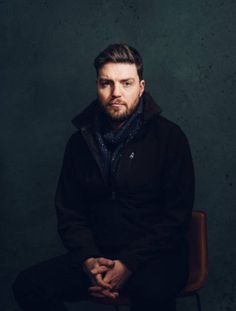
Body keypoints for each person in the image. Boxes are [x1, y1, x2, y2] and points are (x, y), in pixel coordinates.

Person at [12, 44, 195, 311]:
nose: (116, 93)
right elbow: (69, 211)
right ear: (97, 85)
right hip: (98, 257)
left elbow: (176, 216)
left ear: (141, 87)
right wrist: (88, 260)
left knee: (153, 292)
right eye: (106, 83)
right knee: (28, 285)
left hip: (156, 257)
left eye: (126, 83)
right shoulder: (79, 143)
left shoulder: (169, 138)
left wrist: (128, 263)